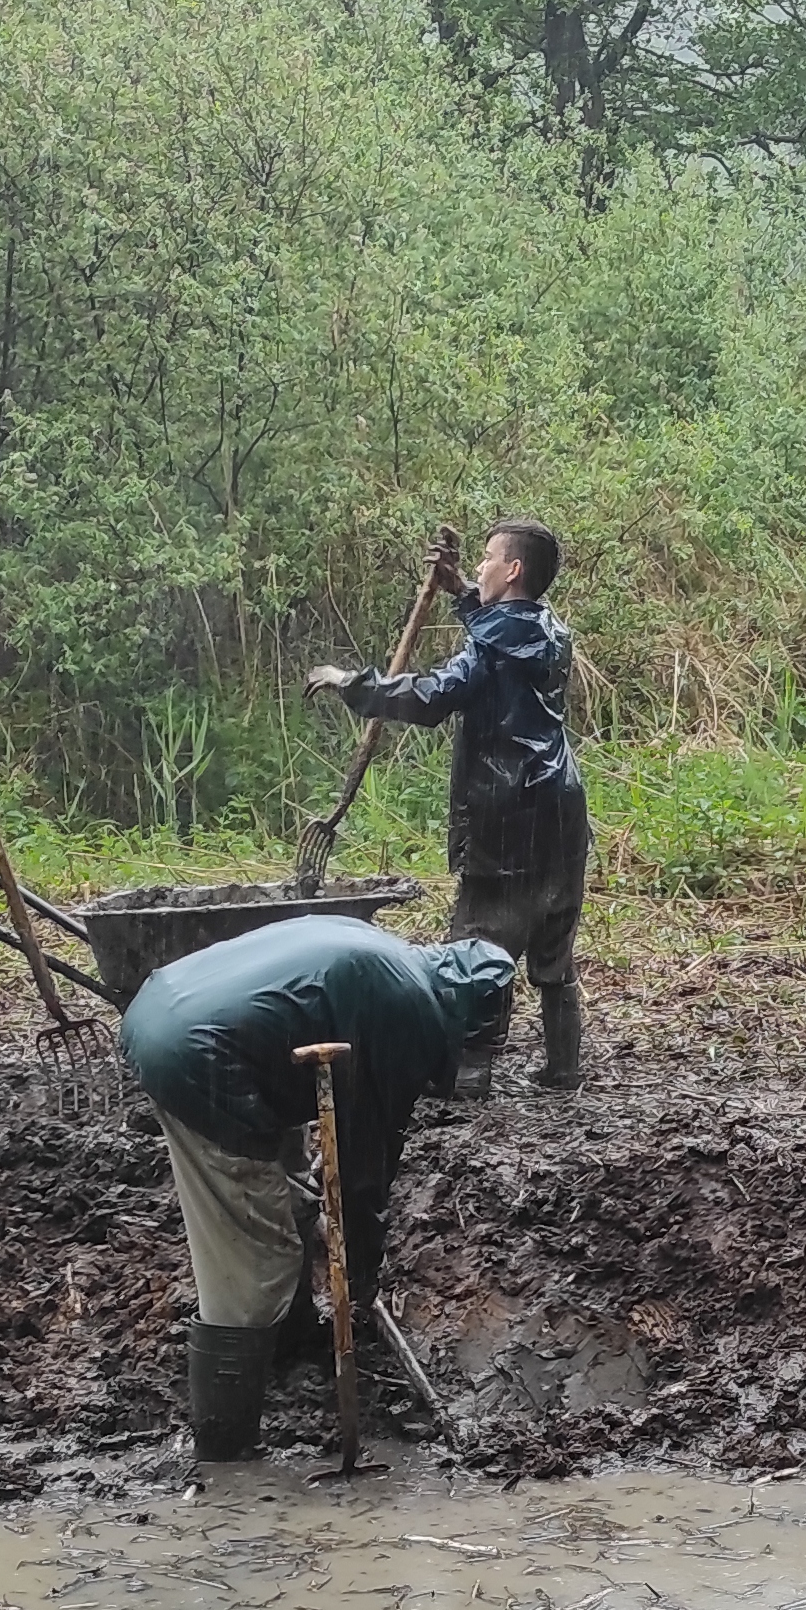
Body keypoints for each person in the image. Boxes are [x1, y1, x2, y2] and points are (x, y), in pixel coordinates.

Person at [118, 915, 521, 1460]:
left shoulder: (393, 962)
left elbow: (344, 1151)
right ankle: (225, 1449)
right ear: (464, 1021)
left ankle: (291, 1342)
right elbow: (363, 1167)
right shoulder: (409, 1014)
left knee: (291, 1189)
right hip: (199, 1060)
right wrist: (361, 1274)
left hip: (185, 1021)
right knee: (257, 1253)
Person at [308, 519, 588, 1095]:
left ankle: (470, 1069)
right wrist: (462, 589)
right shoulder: (550, 632)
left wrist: (353, 684)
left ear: (513, 570)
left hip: (507, 812)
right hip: (559, 807)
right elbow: (499, 632)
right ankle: (563, 1066)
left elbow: (430, 697)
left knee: (478, 941)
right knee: (552, 944)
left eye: (488, 560)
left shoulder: (499, 646)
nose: (480, 568)